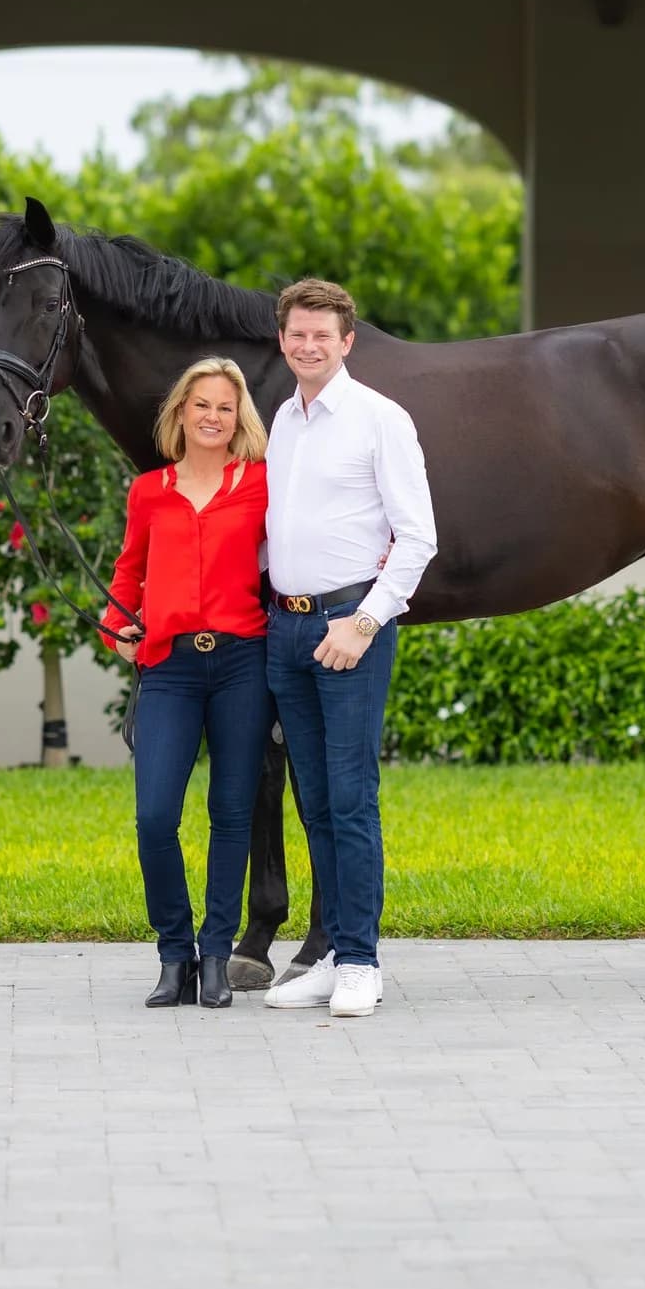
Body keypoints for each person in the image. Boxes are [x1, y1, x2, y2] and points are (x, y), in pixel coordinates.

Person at [260, 278, 436, 1019]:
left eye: (322, 336)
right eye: (297, 334)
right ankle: (333, 955)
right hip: (289, 627)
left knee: (351, 799)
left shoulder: (379, 419)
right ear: (283, 339)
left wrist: (362, 624)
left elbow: (419, 537)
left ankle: (362, 960)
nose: (308, 346)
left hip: (348, 630)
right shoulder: (284, 419)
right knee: (316, 805)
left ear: (347, 342)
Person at [100, 357, 275, 1010]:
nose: (212, 416)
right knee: (154, 817)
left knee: (232, 814)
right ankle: (174, 953)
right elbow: (127, 575)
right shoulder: (149, 491)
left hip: (242, 666)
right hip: (168, 667)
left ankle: (216, 958)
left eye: (225, 407)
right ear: (180, 413)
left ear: (239, 419)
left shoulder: (261, 485)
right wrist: (114, 625)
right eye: (200, 404)